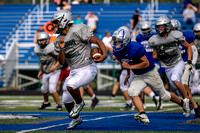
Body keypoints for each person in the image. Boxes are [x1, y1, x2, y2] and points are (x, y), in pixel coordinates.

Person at [111, 26, 190, 125]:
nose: (116, 44)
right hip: (138, 75)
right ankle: (143, 114)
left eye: (118, 42)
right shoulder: (118, 51)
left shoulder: (134, 47)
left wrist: (130, 68)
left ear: (126, 40)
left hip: (150, 73)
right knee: (131, 92)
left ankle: (183, 103)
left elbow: (146, 63)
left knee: (165, 96)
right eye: (115, 41)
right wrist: (128, 74)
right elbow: (127, 61)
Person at [52, 10, 107, 129]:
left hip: (88, 68)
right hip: (74, 70)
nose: (55, 25)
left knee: (70, 85)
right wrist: (62, 49)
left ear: (63, 20)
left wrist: (104, 54)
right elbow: (61, 62)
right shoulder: (58, 39)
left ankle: (80, 103)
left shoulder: (78, 29)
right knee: (66, 99)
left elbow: (97, 41)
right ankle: (76, 119)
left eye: (56, 22)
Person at [149, 16, 195, 117]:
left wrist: (189, 60)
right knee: (176, 87)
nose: (160, 29)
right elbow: (154, 57)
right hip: (167, 67)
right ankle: (185, 104)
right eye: (158, 27)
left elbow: (188, 47)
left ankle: (187, 101)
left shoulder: (175, 35)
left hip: (178, 62)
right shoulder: (155, 40)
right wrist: (160, 55)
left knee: (175, 79)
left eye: (162, 27)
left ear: (168, 27)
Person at [170, 19, 200, 118]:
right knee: (179, 89)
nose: (172, 30)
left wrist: (191, 62)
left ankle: (194, 108)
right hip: (176, 65)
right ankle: (194, 106)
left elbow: (193, 50)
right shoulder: (168, 39)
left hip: (186, 63)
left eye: (174, 28)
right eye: (171, 28)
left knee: (185, 86)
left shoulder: (187, 36)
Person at [136, 21, 163, 110]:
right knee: (141, 83)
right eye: (144, 30)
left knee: (155, 85)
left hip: (154, 63)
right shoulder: (139, 37)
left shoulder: (156, 36)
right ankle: (143, 102)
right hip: (143, 63)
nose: (146, 32)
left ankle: (155, 97)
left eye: (147, 29)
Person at [35, 32, 62, 111]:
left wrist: (55, 67)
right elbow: (42, 60)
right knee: (43, 89)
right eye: (40, 40)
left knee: (52, 89)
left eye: (43, 40)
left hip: (55, 70)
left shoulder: (52, 47)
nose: (41, 42)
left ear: (47, 40)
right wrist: (40, 71)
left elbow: (61, 59)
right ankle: (46, 103)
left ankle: (58, 104)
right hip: (46, 70)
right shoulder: (37, 48)